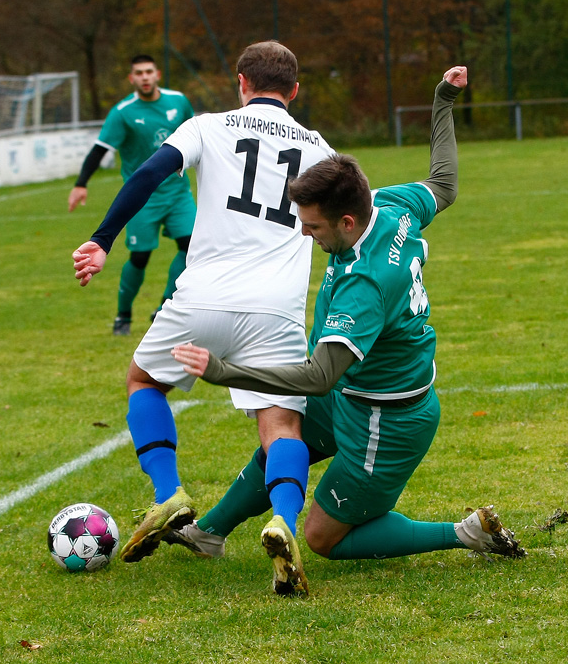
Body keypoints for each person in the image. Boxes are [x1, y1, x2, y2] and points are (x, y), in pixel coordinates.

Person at [167, 66, 525, 597]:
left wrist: (222, 369)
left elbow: (318, 375)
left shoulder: (364, 283)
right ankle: (210, 532)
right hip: (355, 395)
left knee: (321, 538)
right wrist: (443, 99)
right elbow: (445, 183)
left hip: (389, 421)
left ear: (348, 223)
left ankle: (466, 533)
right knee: (286, 442)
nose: (307, 236)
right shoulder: (392, 205)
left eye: (312, 227)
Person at [71, 41, 336, 566]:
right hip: (277, 308)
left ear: (241, 82)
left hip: (202, 298)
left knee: (144, 382)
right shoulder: (321, 150)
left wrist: (103, 240)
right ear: (295, 91)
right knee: (281, 427)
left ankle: (169, 495)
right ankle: (282, 518)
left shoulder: (207, 126)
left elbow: (147, 174)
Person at [69, 54, 196, 336]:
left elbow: (198, 136)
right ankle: (123, 315)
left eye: (149, 71)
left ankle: (165, 305)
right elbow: (100, 149)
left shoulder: (179, 101)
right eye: (139, 73)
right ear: (132, 79)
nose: (145, 77)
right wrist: (81, 183)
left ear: (158, 74)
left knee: (192, 248)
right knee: (140, 257)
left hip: (178, 193)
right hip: (143, 198)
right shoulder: (123, 112)